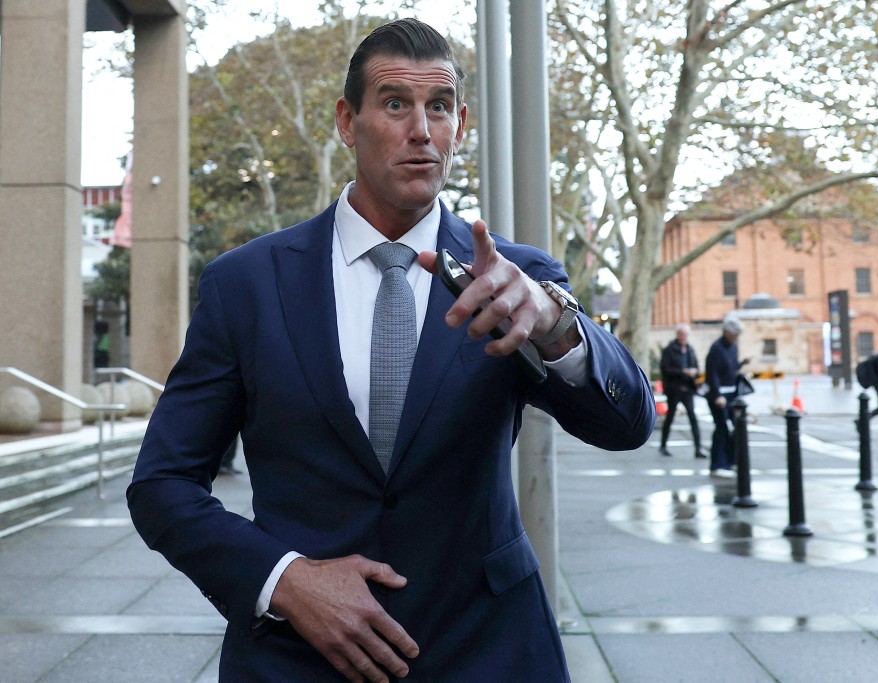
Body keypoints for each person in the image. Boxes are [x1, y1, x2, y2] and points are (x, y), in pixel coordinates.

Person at [127, 19, 654, 683]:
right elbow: (161, 484)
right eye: (395, 103)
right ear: (349, 122)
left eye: (438, 107)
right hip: (298, 659)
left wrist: (557, 327)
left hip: (486, 650)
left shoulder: (516, 279)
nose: (421, 130)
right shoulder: (247, 284)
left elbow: (629, 423)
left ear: (460, 124)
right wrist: (284, 580)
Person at [704, 315, 749, 478]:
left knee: (737, 428)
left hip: (731, 393)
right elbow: (712, 374)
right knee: (721, 428)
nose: (736, 338)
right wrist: (717, 395)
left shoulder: (733, 347)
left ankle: (730, 461)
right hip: (719, 394)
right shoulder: (716, 348)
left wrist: (742, 364)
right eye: (734, 334)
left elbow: (731, 368)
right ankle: (718, 463)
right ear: (727, 332)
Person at [658, 323, 705, 458]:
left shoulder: (690, 350)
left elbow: (695, 366)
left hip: (688, 389)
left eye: (686, 335)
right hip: (674, 389)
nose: (684, 337)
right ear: (678, 335)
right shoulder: (670, 350)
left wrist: (693, 372)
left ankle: (698, 447)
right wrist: (682, 372)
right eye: (682, 334)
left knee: (692, 417)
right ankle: (663, 445)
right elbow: (665, 369)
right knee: (670, 417)